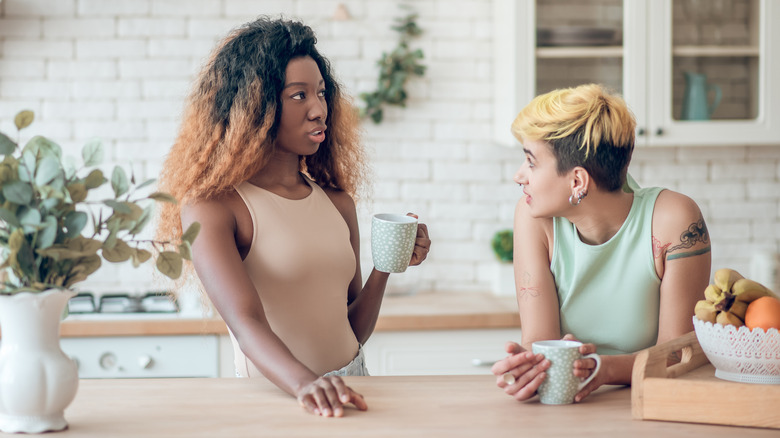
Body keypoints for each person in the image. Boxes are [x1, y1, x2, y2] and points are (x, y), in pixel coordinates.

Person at [156, 17, 430, 417]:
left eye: (321, 92)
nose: (319, 109)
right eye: (299, 95)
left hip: (351, 387)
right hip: (278, 397)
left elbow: (352, 330)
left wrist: (386, 266)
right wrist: (306, 384)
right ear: (254, 106)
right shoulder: (214, 207)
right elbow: (246, 322)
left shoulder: (337, 203)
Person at [492, 84, 711, 403]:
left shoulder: (674, 220)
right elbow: (540, 340)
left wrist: (604, 369)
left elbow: (677, 354)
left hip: (654, 402)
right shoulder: (533, 217)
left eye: (531, 162)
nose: (518, 175)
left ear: (577, 181)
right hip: (573, 403)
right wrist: (530, 367)